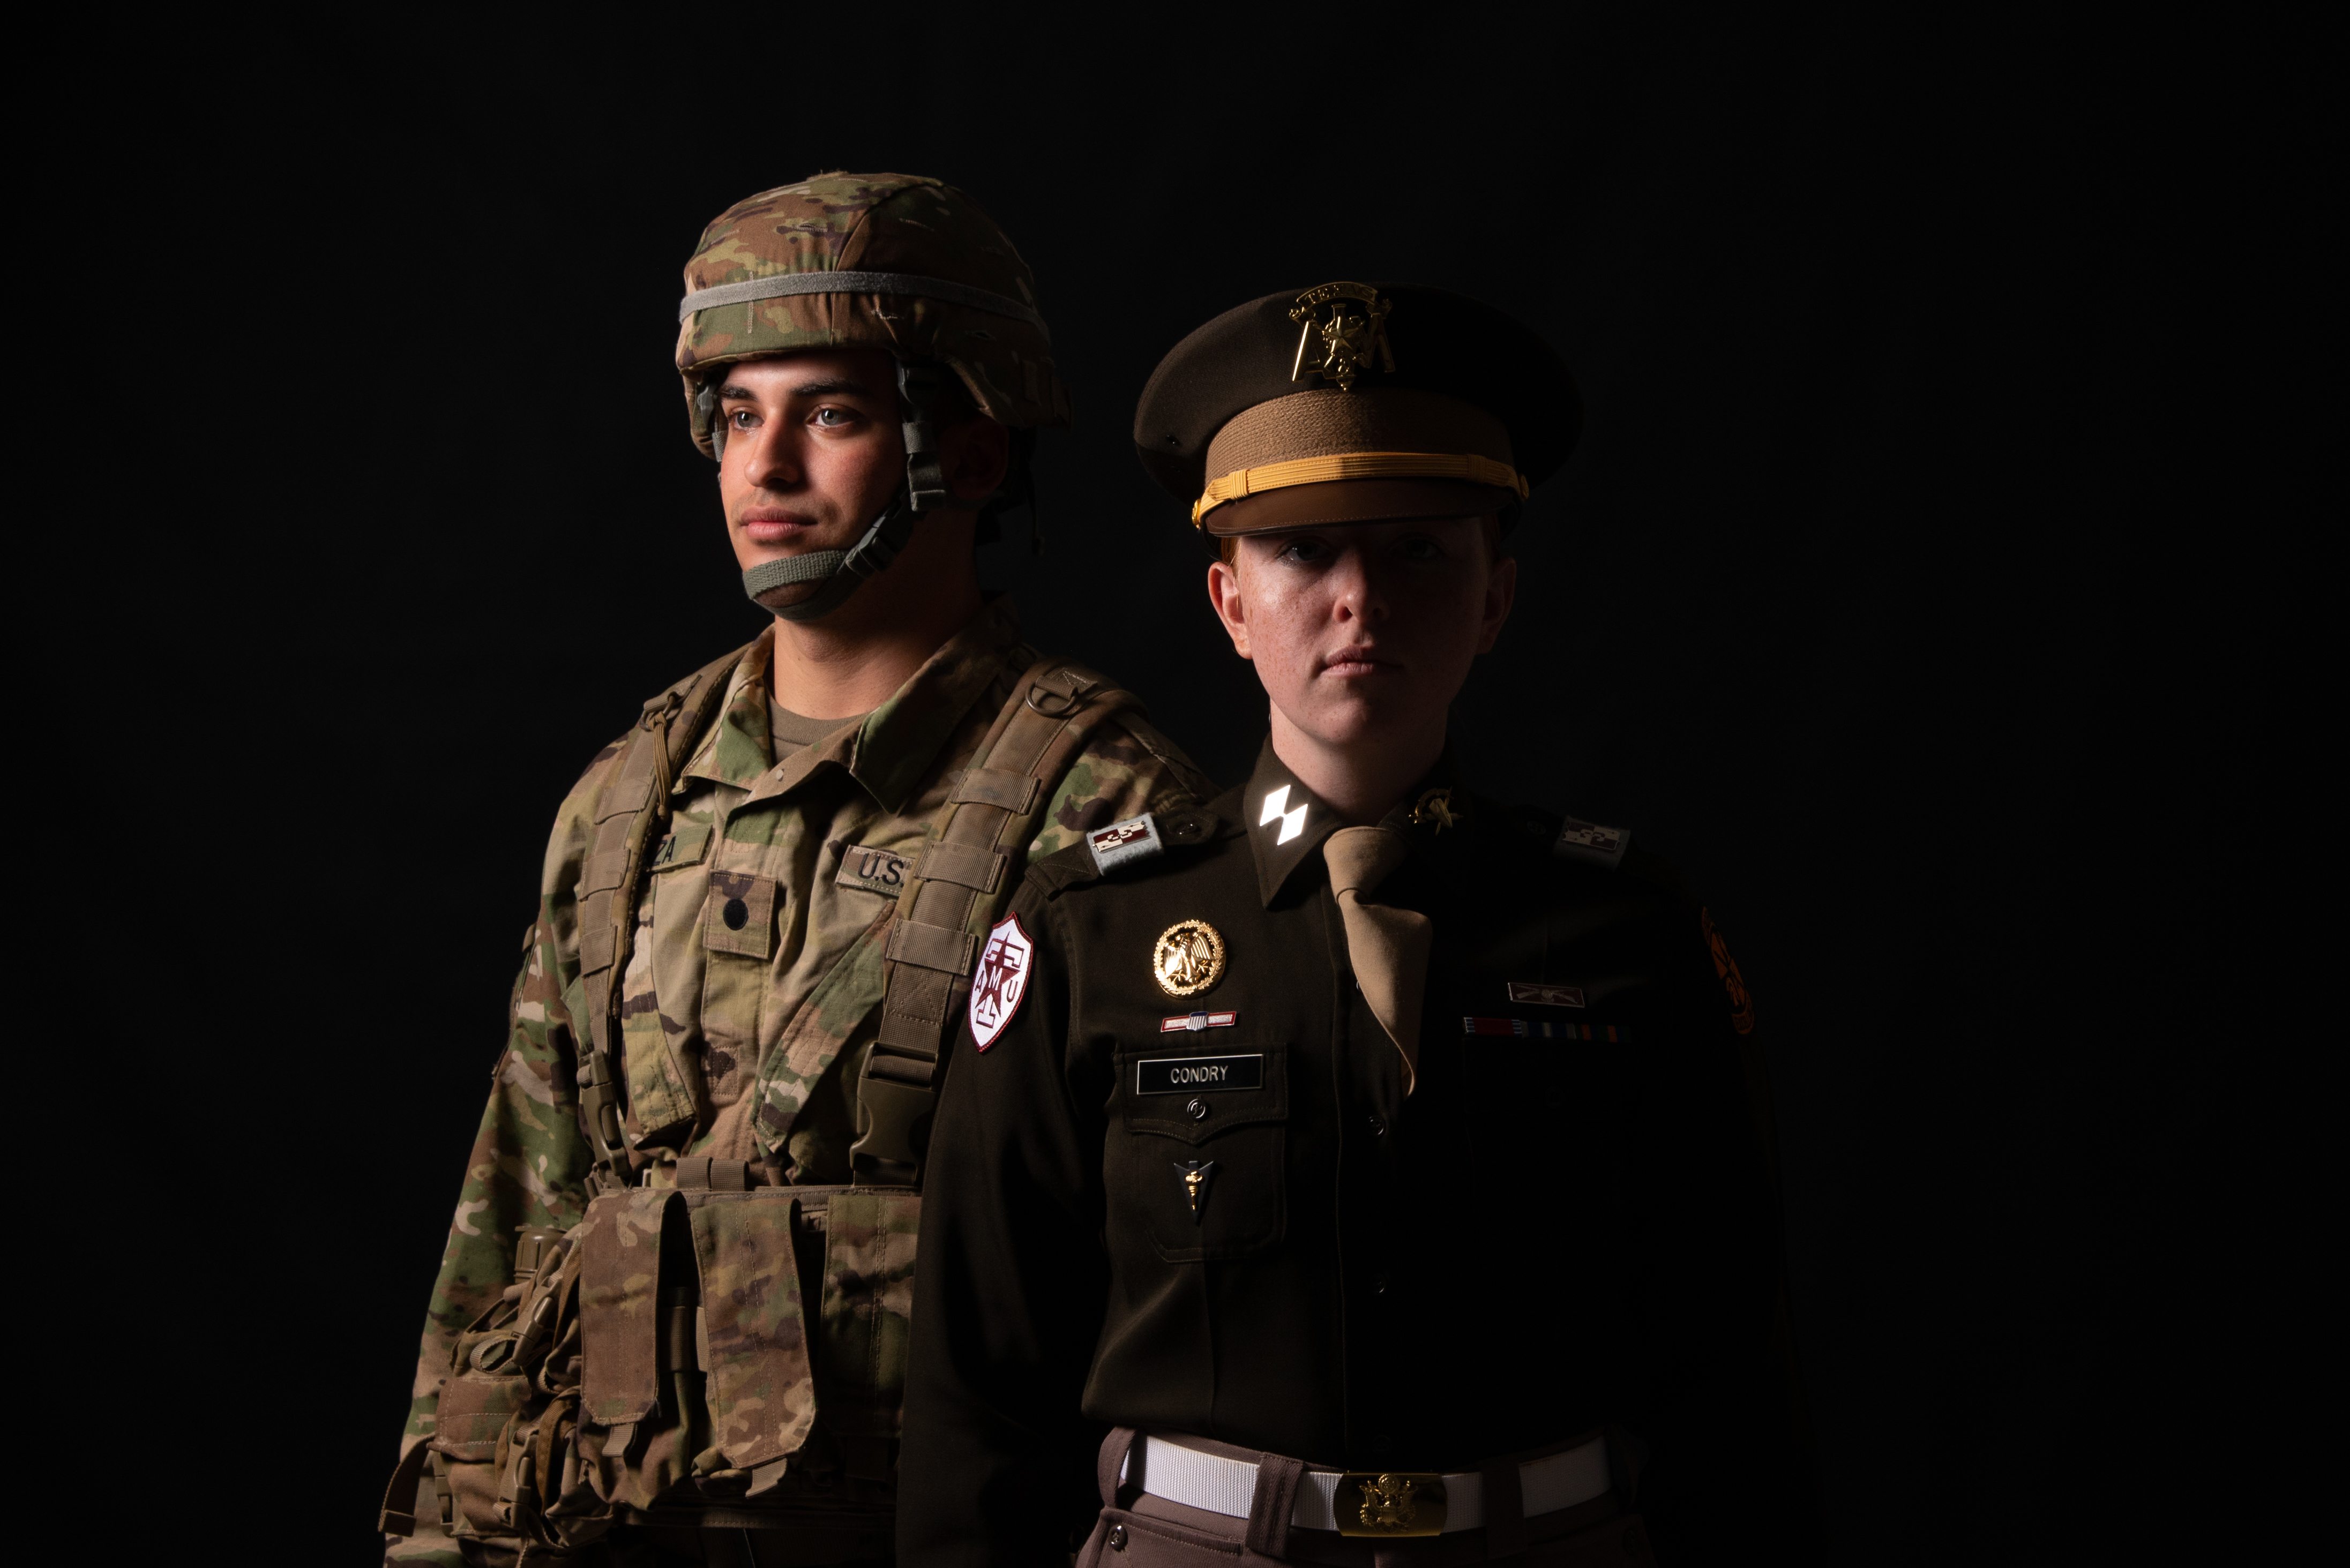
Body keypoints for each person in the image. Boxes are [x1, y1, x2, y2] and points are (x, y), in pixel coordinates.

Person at [898, 282, 1825, 1564]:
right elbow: (979, 1394)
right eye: (1302, 551)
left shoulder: (1629, 936)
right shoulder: (1084, 936)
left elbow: (1734, 1388)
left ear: (1496, 599)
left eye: (1417, 550)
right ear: (1230, 603)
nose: (1359, 598)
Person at [380, 171, 1215, 1568]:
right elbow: (514, 1218)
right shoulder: (626, 806)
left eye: (830, 415)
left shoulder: (1110, 814)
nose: (763, 467)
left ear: (973, 451)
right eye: (735, 417)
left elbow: (1181, 1303)